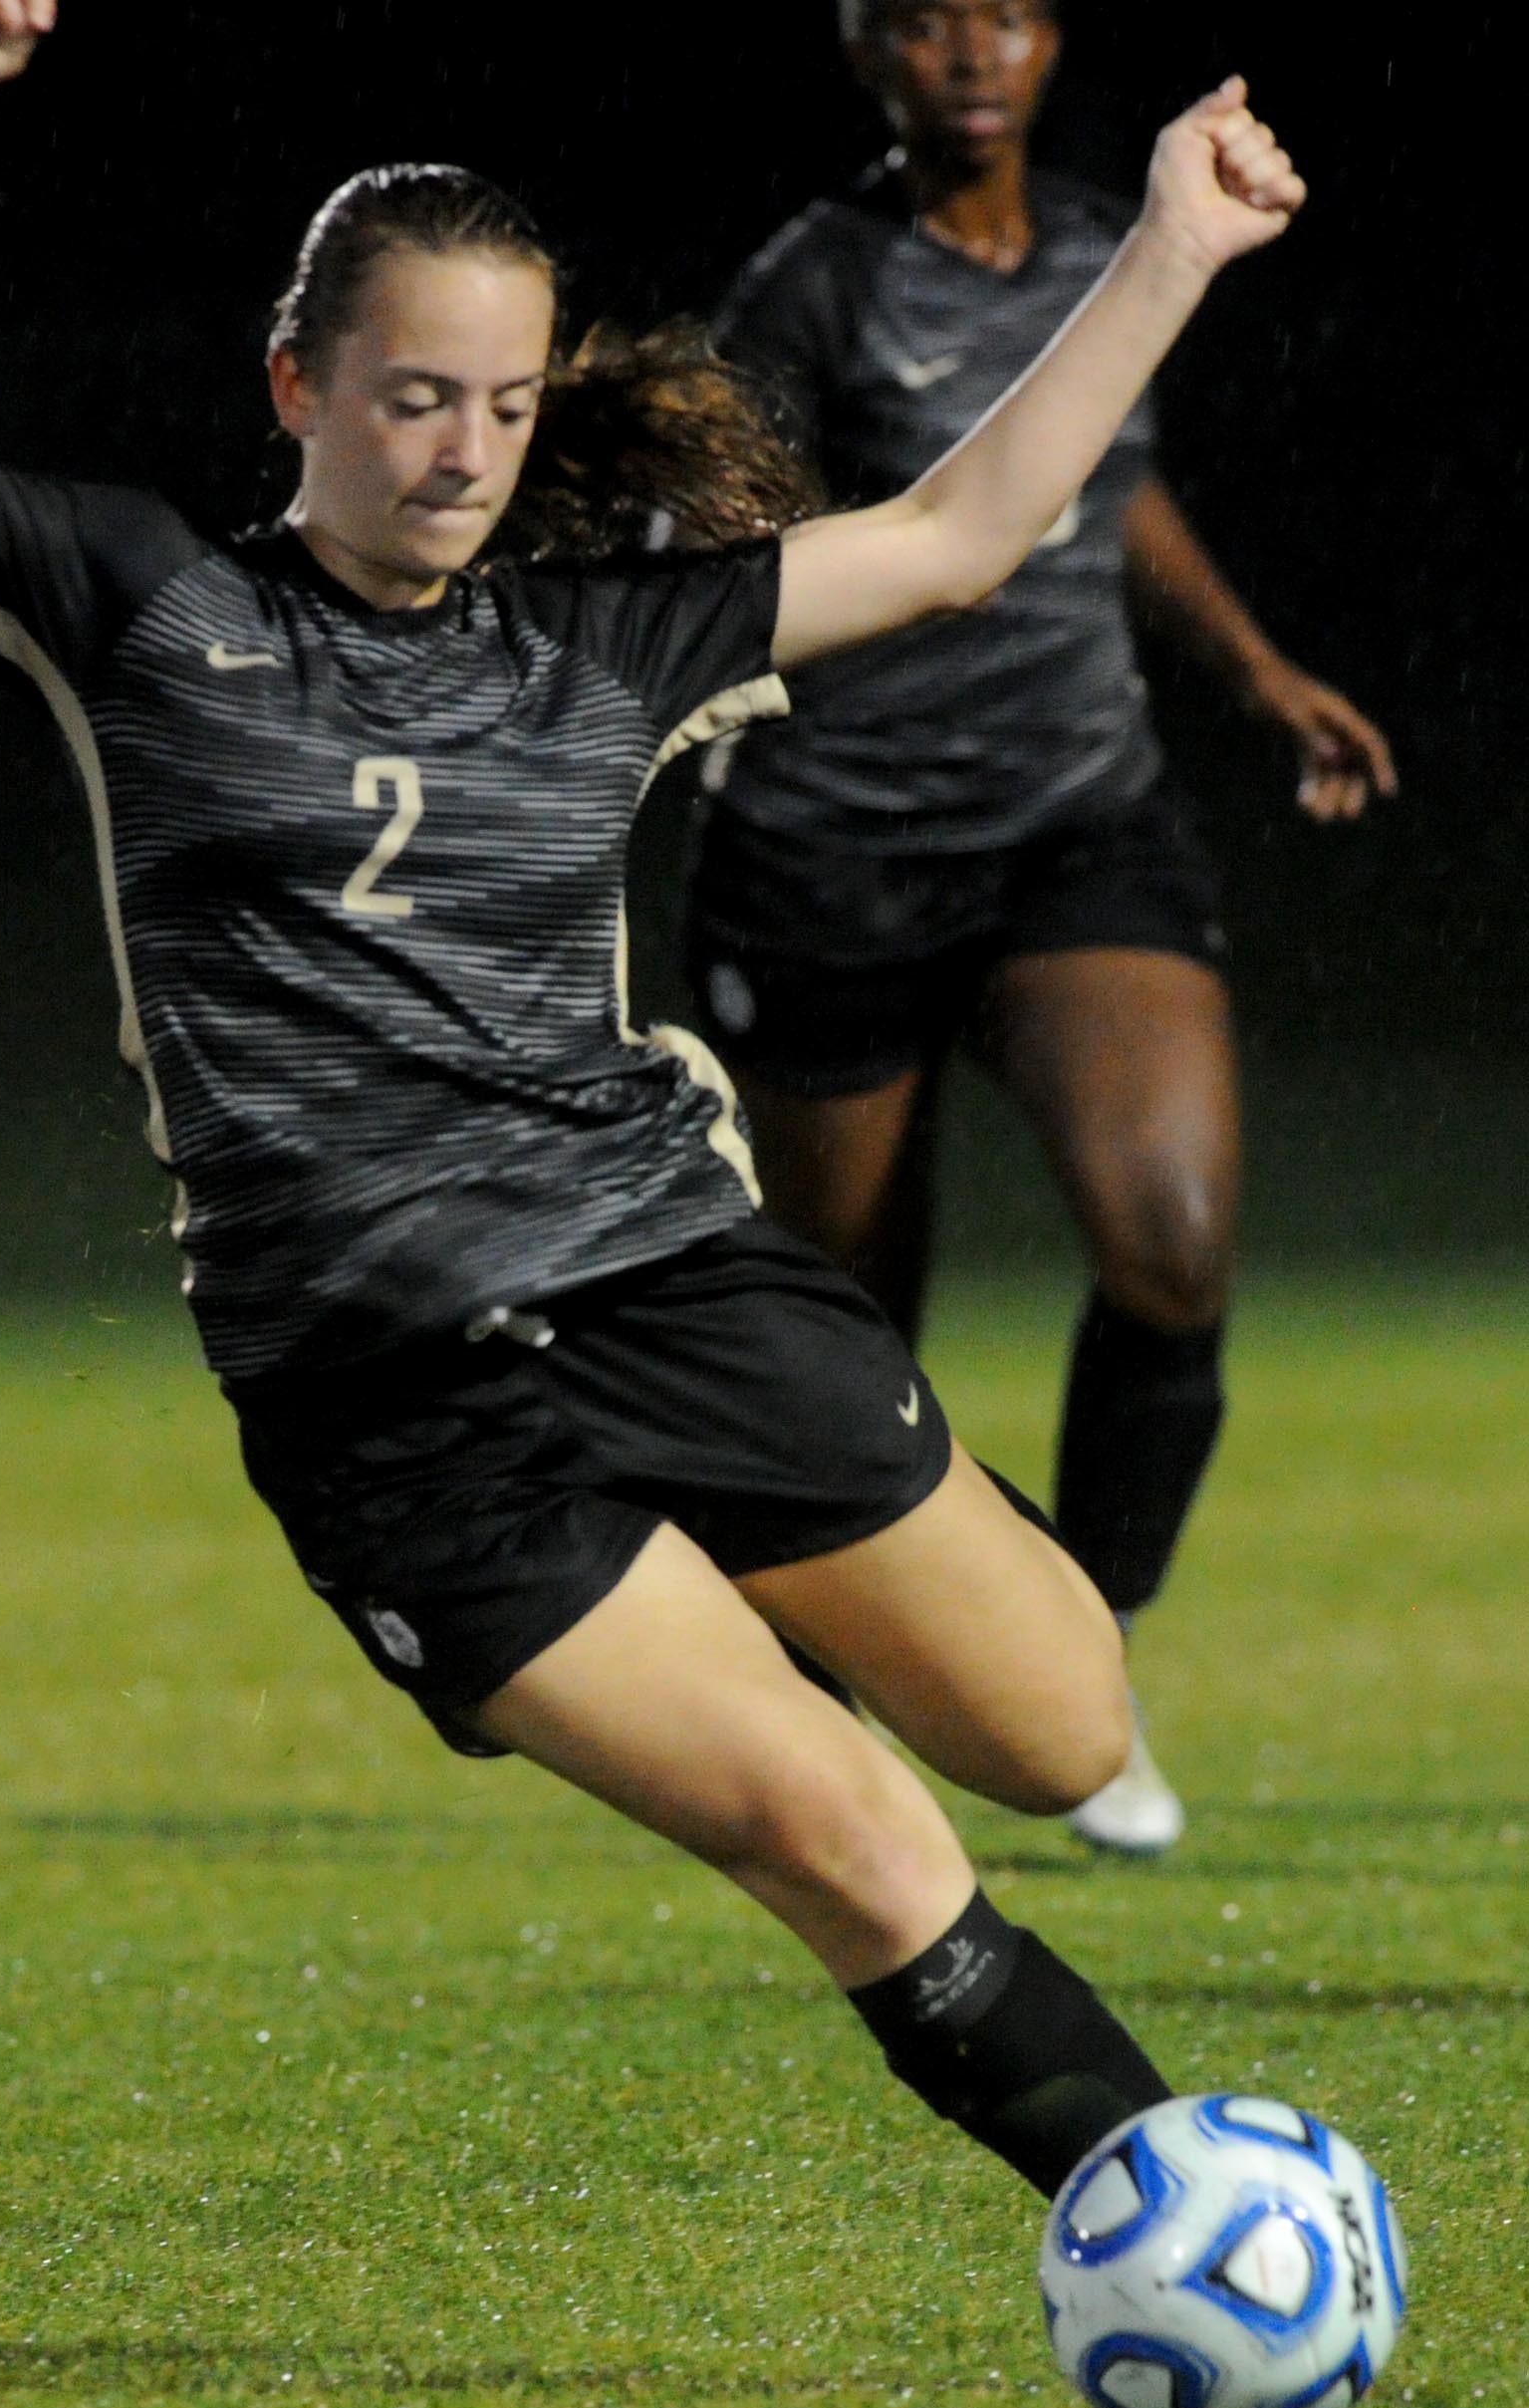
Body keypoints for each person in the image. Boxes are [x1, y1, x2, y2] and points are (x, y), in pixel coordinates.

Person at [0, 0, 1307, 2202]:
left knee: (1064, 1729)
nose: (461, 450)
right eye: (414, 396)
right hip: (385, 1406)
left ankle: (758, 1576)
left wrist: (1171, 251)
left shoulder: (599, 640)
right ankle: (1178, 2209)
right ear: (298, 388)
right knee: (838, 1837)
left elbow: (948, 535)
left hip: (674, 1287)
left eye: (507, 405)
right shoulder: (139, 599)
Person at [686, 0, 1398, 1853]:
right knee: (842, 1340)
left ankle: (1085, 1652)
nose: (969, 52)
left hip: (1075, 823)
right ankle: (841, 1715)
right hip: (830, 853)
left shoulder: (1101, 244)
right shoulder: (813, 288)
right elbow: (723, 535)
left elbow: (1118, 473)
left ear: (1050, 37)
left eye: (1000, 12)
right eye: (923, 23)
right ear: (864, 54)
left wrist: (1252, 669)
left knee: (1170, 1240)